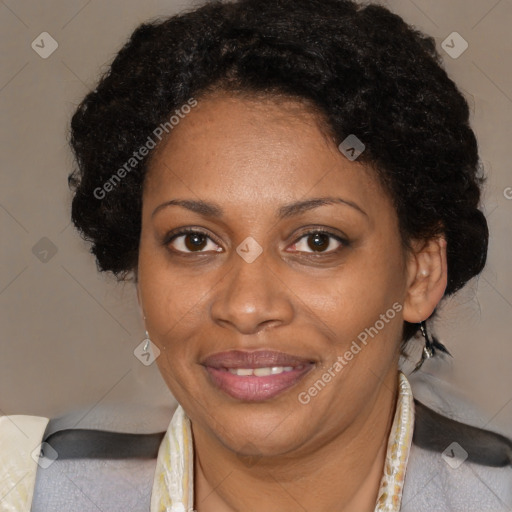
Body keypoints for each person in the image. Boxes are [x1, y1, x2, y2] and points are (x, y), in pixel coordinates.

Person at [1, 0, 511, 510]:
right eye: (194, 240)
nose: (246, 307)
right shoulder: (21, 486)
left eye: (317, 241)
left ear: (420, 273)